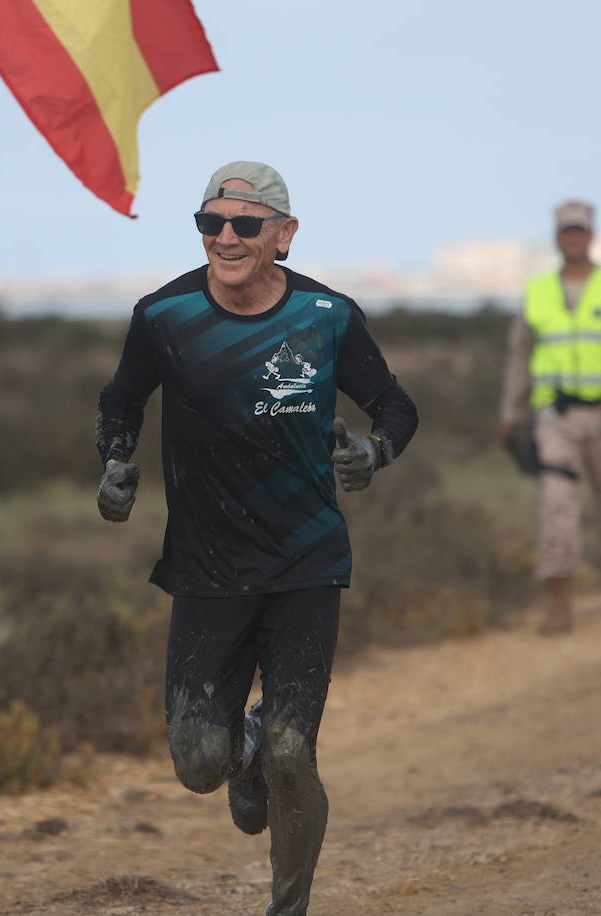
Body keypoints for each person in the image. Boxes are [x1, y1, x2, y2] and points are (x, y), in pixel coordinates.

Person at [94, 161, 418, 916]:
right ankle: (240, 756)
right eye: (211, 223)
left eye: (243, 224)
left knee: (293, 750)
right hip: (206, 569)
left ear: (284, 234)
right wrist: (114, 461)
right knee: (198, 763)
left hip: (307, 561)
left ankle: (288, 906)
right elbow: (121, 399)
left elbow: (393, 405)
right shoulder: (164, 316)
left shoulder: (326, 315)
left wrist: (374, 452)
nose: (226, 237)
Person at [498, 199, 601, 634]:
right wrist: (510, 414)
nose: (573, 237)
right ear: (557, 236)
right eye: (567, 230)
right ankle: (558, 601)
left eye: (580, 230)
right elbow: (519, 356)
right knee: (557, 507)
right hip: (556, 417)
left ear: (592, 235)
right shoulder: (537, 291)